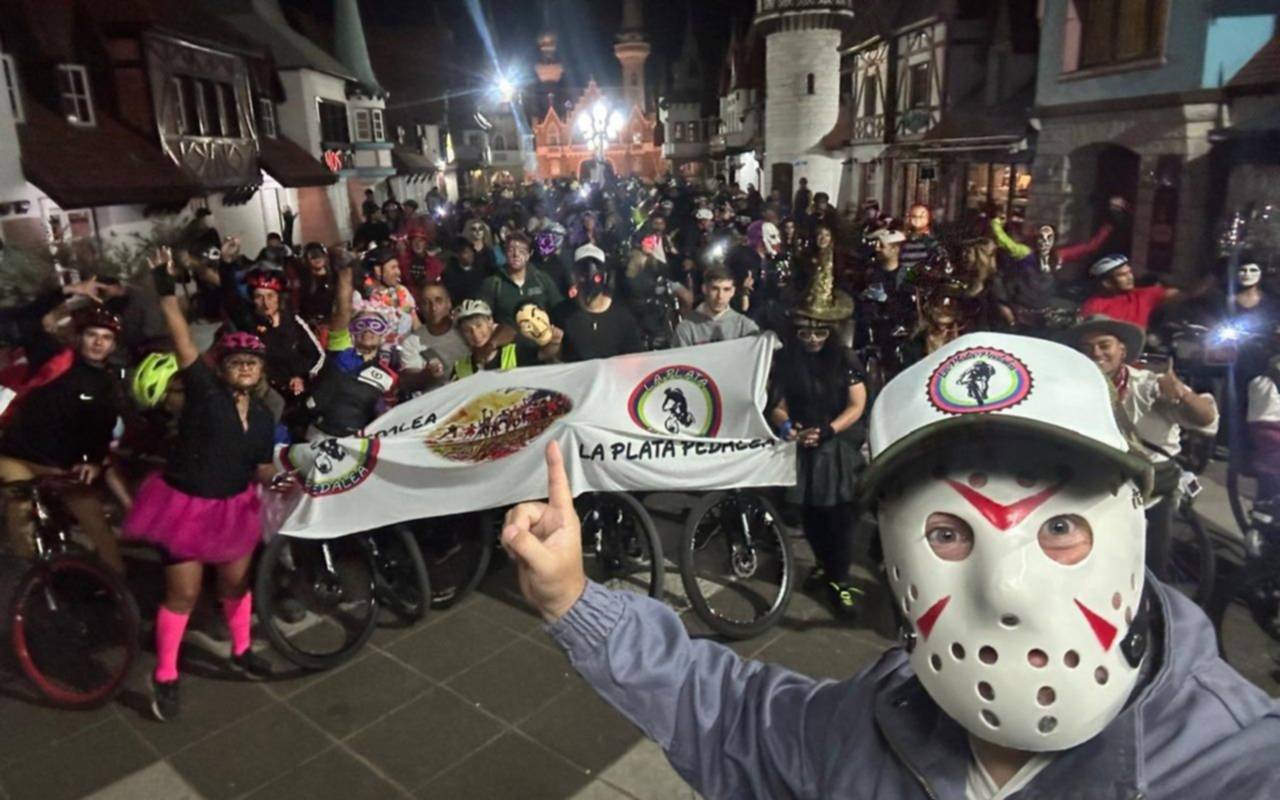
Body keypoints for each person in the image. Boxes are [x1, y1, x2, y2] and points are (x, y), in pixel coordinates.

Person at [498, 332, 1280, 800]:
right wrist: (572, 596)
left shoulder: (1237, 769)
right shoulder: (869, 725)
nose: (1004, 586)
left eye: (1062, 528)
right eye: (947, 533)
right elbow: (730, 715)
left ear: (1128, 525)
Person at [129, 247, 288, 721]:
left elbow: (258, 465)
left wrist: (284, 476)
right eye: (236, 361)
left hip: (234, 507)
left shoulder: (263, 417)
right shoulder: (204, 392)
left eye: (252, 363)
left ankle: (241, 649)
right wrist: (164, 285)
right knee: (182, 595)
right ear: (222, 367)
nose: (244, 366)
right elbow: (180, 337)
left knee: (236, 588)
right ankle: (166, 675)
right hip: (187, 505)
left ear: (261, 371)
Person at [1067, 315, 1218, 580]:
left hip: (1151, 483)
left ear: (1122, 350)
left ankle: (1150, 609)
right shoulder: (1075, 387)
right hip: (1098, 477)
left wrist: (1181, 393)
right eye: (1086, 348)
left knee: (1149, 566)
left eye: (1104, 345)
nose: (1096, 353)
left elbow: (1206, 419)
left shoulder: (1149, 384)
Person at [768, 249, 867, 615]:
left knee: (839, 523)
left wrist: (828, 430)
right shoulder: (786, 360)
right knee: (810, 519)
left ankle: (841, 582)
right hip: (802, 449)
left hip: (836, 451)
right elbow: (777, 402)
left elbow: (857, 404)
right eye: (805, 331)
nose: (811, 338)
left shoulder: (844, 360)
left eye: (819, 331)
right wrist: (785, 424)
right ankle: (825, 569)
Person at [0, 298, 125, 574]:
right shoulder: (55, 358)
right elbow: (28, 323)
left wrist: (92, 462)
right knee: (22, 513)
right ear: (80, 337)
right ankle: (34, 579)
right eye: (92, 335)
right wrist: (64, 291)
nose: (98, 342)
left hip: (60, 466)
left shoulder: (107, 383)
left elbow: (100, 430)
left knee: (99, 528)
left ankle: (118, 590)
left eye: (106, 338)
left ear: (113, 345)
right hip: (18, 456)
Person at [307, 263, 399, 439]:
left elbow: (385, 417)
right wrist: (346, 272)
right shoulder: (340, 351)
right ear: (352, 330)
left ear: (383, 336)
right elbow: (343, 310)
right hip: (317, 435)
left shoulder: (390, 377)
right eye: (361, 324)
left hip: (355, 444)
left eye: (376, 326)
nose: (368, 330)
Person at [560, 245, 643, 362]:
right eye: (583, 270)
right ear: (574, 275)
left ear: (605, 275)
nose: (589, 276)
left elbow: (636, 360)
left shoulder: (623, 317)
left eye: (596, 269)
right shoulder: (562, 314)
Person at [477, 232, 565, 328]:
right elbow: (481, 319)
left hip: (539, 340)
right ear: (504, 252)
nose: (516, 254)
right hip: (508, 341)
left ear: (529, 254)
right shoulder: (492, 284)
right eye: (511, 250)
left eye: (522, 251)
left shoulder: (542, 279)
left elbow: (559, 309)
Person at [450, 299, 557, 379]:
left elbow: (544, 354)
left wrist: (555, 341)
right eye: (467, 330)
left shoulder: (514, 351)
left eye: (479, 325)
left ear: (490, 323)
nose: (475, 333)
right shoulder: (460, 368)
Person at [399, 283, 468, 396]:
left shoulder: (465, 330)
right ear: (420, 308)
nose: (433, 308)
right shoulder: (411, 342)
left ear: (449, 303)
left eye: (438, 300)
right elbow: (410, 381)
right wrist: (427, 374)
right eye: (426, 303)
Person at [1081, 255, 1178, 330]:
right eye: (1122, 275)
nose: (1130, 277)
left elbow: (1179, 295)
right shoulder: (1094, 305)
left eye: (1129, 272)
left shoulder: (1143, 295)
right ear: (1107, 283)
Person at [673, 266, 760, 347]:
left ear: (732, 292)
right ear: (704, 289)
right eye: (715, 289)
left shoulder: (745, 327)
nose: (720, 296)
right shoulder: (686, 328)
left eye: (726, 289)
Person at [355, 247, 417, 355]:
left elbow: (416, 324)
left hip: (408, 352)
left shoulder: (402, 291)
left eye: (398, 267)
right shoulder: (363, 300)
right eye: (393, 268)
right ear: (378, 270)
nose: (398, 272)